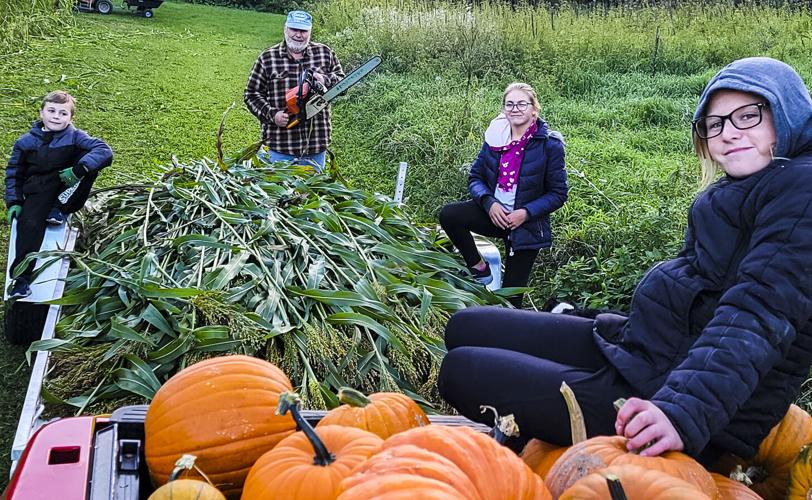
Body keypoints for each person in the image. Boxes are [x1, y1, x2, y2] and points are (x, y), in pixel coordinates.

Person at [437, 57, 812, 466]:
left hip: (681, 402)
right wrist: (592, 316)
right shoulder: (751, 184)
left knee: (461, 370)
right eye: (715, 123)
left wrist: (682, 412)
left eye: (748, 116)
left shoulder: (802, 188)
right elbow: (696, 293)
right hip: (644, 353)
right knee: (466, 326)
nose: (728, 133)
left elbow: (759, 311)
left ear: (788, 113)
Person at [439, 82, 567, 308]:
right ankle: (479, 268)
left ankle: (507, 336)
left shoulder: (549, 145)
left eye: (521, 104)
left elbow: (558, 193)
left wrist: (525, 213)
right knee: (450, 215)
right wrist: (489, 203)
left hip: (525, 228)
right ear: (503, 109)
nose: (515, 109)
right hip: (495, 216)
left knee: (510, 299)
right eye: (510, 104)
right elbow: (475, 177)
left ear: (534, 109)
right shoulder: (495, 137)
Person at [4, 90, 112, 299]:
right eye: (51, 111)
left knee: (91, 163)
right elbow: (13, 174)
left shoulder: (75, 136)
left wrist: (79, 170)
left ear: (71, 118)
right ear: (41, 113)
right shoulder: (25, 142)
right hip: (39, 189)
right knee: (30, 225)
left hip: (67, 185)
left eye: (63, 113)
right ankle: (21, 279)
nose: (56, 116)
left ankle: (59, 209)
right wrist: (15, 201)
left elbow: (104, 151)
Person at [244, 10, 345, 172]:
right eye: (294, 29)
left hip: (315, 143)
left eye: (303, 31)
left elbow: (342, 83)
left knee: (312, 192)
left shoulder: (325, 53)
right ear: (286, 29)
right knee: (278, 193)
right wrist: (273, 114)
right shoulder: (268, 58)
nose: (298, 35)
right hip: (280, 144)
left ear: (310, 31)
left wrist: (324, 79)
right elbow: (251, 94)